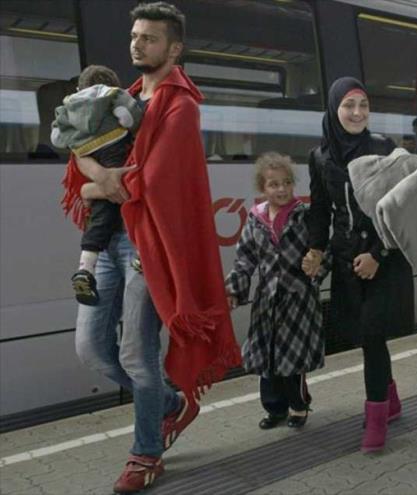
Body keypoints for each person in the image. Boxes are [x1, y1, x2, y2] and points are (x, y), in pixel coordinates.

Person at [59, 3, 241, 492]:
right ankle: (167, 403)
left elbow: (153, 183)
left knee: (137, 354)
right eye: (135, 36)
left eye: (150, 38)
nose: (138, 44)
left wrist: (96, 184)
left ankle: (146, 453)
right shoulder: (124, 97)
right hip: (108, 237)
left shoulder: (181, 106)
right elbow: (82, 169)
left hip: (149, 244)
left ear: (174, 48)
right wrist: (100, 180)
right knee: (92, 348)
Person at [302, 77, 414, 453]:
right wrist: (315, 249)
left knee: (370, 335)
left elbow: (400, 209)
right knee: (368, 336)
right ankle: (391, 400)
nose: (357, 113)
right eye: (349, 105)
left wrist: (378, 254)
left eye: (363, 105)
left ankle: (377, 420)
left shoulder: (384, 148)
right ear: (334, 109)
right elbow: (320, 210)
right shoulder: (320, 157)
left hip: (382, 257)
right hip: (347, 258)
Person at [226, 153, 324, 430]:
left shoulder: (304, 216)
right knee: (267, 359)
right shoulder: (255, 220)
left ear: (293, 185)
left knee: (293, 361)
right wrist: (235, 289)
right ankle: (274, 409)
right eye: (273, 185)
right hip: (267, 300)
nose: (281, 189)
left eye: (286, 183)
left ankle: (298, 406)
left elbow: (321, 253)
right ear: (263, 188)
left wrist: (315, 268)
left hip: (299, 299)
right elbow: (244, 258)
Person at [51, 65, 143, 306]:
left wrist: (89, 188)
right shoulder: (119, 103)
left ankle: (85, 267)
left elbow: (128, 186)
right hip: (118, 242)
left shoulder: (74, 116)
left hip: (129, 237)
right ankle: (87, 269)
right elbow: (129, 116)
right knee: (90, 342)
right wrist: (94, 184)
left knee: (136, 340)